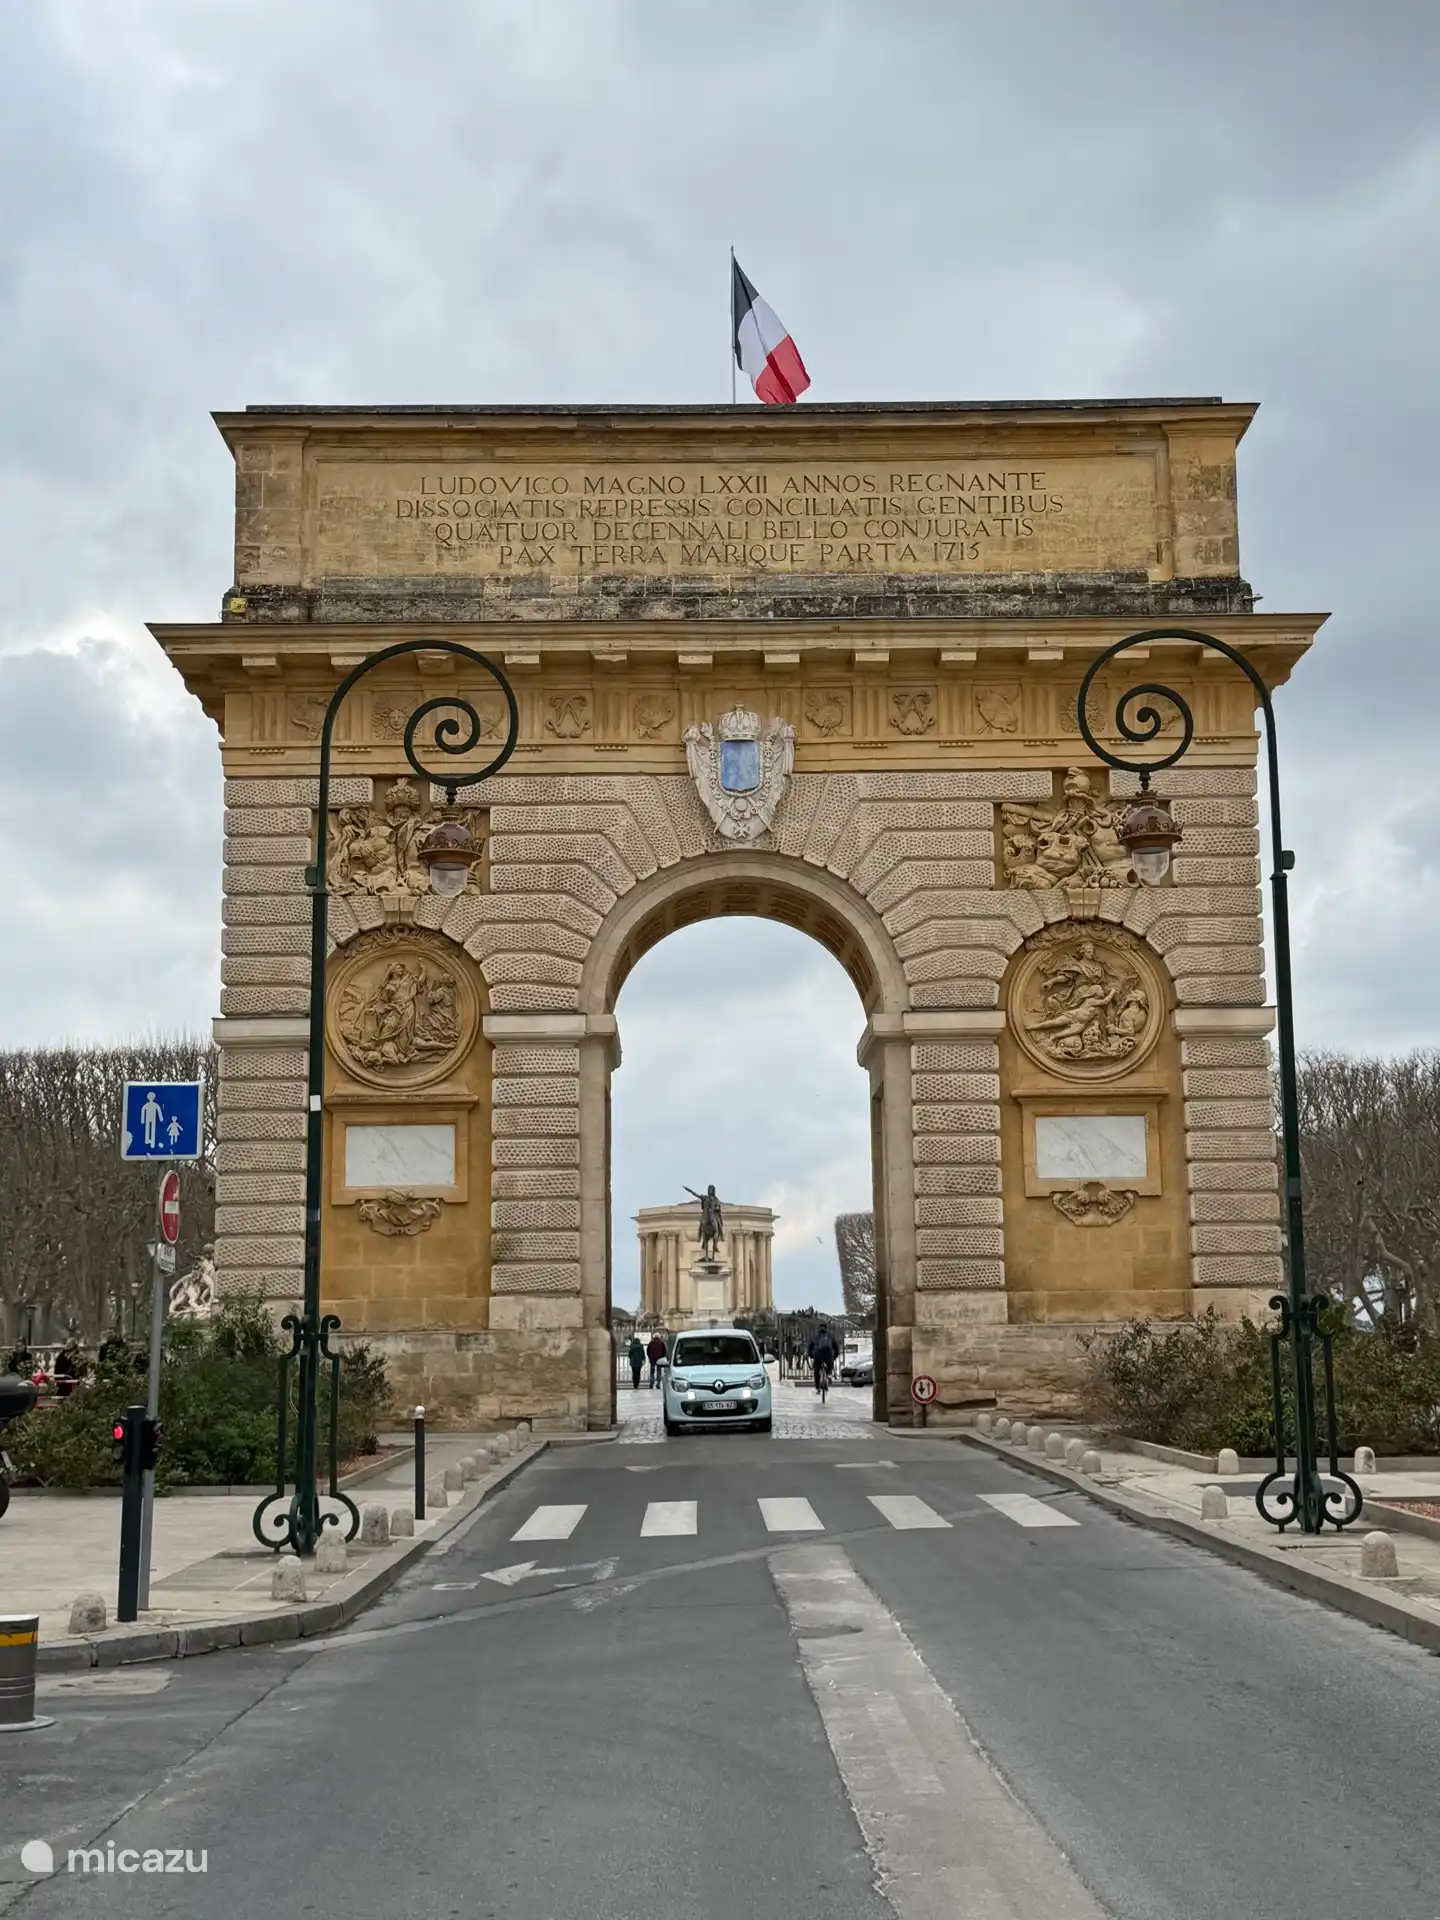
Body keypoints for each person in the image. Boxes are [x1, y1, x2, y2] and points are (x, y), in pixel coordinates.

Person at [808, 1323, 839, 1394]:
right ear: (826, 1328)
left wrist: (811, 1355)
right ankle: (829, 1374)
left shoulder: (815, 1336)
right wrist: (835, 1356)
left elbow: (810, 1347)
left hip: (818, 1356)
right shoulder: (830, 1335)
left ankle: (817, 1387)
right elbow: (836, 1347)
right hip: (828, 1355)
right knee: (830, 1364)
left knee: (816, 1371)